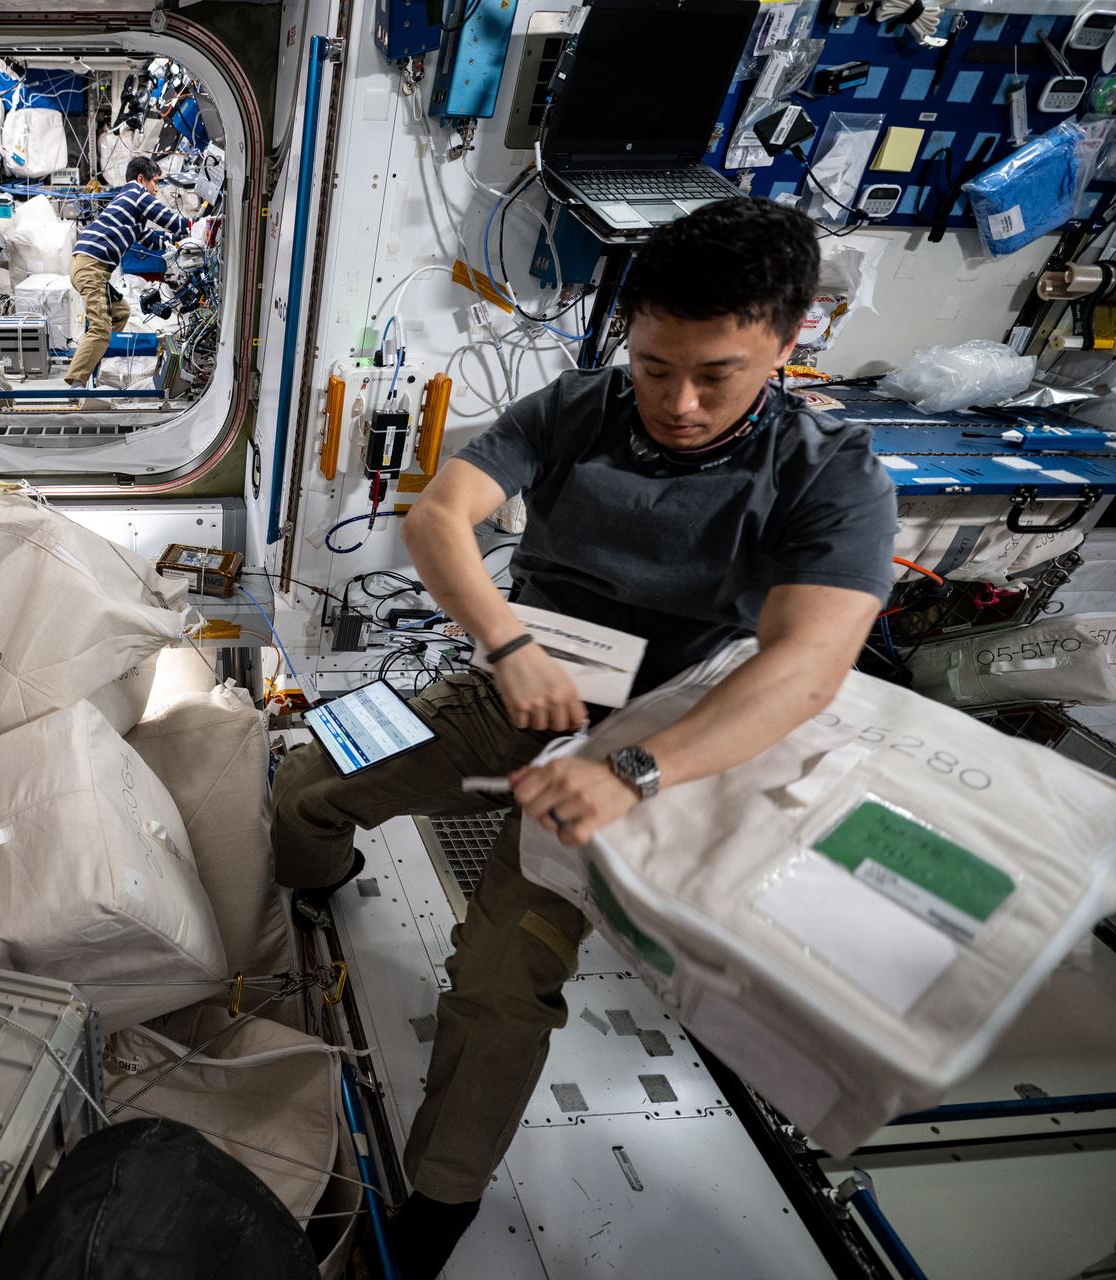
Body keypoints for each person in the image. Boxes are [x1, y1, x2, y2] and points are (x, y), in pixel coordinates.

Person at [269, 199, 897, 1278]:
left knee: (500, 977)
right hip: (515, 691)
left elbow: (805, 667)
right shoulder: (580, 405)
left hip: (656, 745)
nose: (679, 402)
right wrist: (507, 644)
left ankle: (434, 1210)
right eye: (656, 367)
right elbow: (436, 518)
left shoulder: (829, 473)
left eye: (718, 374)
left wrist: (634, 771)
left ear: (791, 342)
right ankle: (311, 891)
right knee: (304, 782)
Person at [64, 155, 190, 390]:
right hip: (90, 267)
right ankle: (76, 382)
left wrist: (177, 242)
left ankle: (96, 357)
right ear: (141, 179)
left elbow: (152, 240)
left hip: (92, 268)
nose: (156, 190)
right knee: (101, 328)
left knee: (121, 312)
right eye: (155, 183)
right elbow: (169, 220)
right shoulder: (135, 194)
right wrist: (200, 227)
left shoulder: (130, 209)